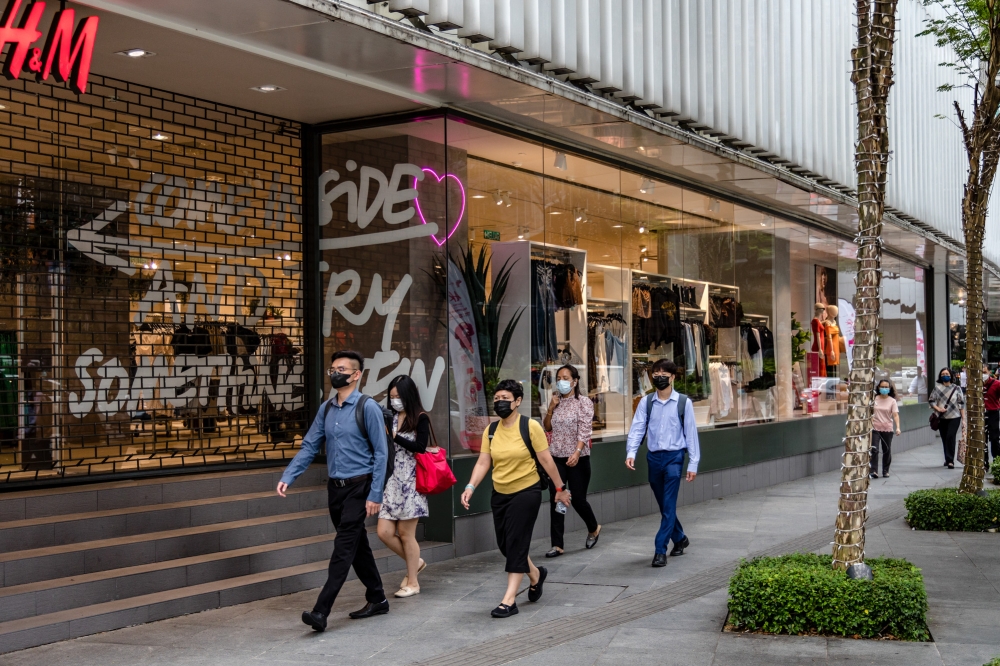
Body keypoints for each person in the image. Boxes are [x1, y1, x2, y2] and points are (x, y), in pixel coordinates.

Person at [277, 351, 390, 632]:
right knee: (357, 545)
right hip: (335, 489)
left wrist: (375, 494)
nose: (335, 373)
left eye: (342, 369)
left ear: (356, 375)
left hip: (360, 487)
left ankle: (321, 611)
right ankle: (378, 598)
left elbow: (381, 453)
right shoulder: (326, 408)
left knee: (343, 548)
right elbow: (310, 445)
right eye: (333, 369)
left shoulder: (368, 407)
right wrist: (289, 475)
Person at [460, 379, 572, 618]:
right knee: (506, 545)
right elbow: (483, 462)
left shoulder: (530, 426)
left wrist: (560, 488)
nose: (499, 403)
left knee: (517, 542)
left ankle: (509, 600)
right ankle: (536, 574)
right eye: (496, 399)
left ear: (518, 401)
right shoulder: (491, 430)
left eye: (505, 399)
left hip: (526, 492)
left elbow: (546, 460)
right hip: (500, 493)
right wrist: (470, 486)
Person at [625, 359, 700, 567]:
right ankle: (680, 538)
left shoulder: (683, 402)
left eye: (664, 374)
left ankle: (660, 549)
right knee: (664, 504)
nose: (659, 377)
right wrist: (631, 452)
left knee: (668, 505)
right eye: (656, 374)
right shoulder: (646, 402)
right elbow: (637, 428)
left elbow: (691, 434)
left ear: (673, 377)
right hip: (654, 458)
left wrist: (693, 463)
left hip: (675, 458)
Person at [377, 375, 434, 598]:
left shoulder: (420, 418)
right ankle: (416, 562)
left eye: (398, 396)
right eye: (391, 397)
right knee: (384, 532)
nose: (394, 401)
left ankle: (413, 582)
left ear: (408, 396)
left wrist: (394, 436)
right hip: (392, 480)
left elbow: (420, 447)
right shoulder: (389, 417)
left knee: (405, 533)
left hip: (412, 480)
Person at [542, 365, 601, 558]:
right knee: (557, 497)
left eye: (565, 378)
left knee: (578, 499)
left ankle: (593, 527)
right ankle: (557, 544)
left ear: (575, 381)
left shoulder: (584, 402)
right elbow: (547, 428)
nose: (561, 381)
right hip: (556, 457)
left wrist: (577, 452)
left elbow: (585, 430)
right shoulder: (556, 401)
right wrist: (550, 408)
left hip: (578, 458)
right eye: (559, 378)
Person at [929, 367, 965, 469]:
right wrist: (938, 409)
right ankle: (947, 458)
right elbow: (931, 401)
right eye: (943, 374)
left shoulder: (957, 388)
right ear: (940, 376)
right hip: (942, 418)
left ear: (951, 376)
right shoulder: (937, 388)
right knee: (944, 438)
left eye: (947, 374)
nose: (945, 376)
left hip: (955, 416)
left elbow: (961, 404)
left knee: (950, 436)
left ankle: (950, 461)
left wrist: (964, 419)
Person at [871, 379, 900, 479]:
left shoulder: (892, 401)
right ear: (879, 388)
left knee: (886, 450)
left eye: (886, 387)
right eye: (882, 387)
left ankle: (885, 470)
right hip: (875, 427)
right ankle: (874, 471)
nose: (884, 389)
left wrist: (898, 428)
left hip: (887, 428)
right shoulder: (874, 399)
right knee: (874, 449)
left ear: (889, 388)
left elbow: (895, 415)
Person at [984, 366, 1000, 468]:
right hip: (980, 414)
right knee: (982, 439)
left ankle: (996, 461)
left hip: (993, 413)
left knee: (994, 438)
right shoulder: (975, 385)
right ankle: (984, 463)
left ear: (989, 372)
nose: (983, 374)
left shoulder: (996, 384)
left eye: (984, 372)